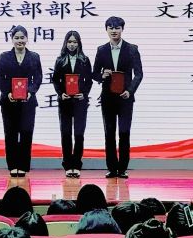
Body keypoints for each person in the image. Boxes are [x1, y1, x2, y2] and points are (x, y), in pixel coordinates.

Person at [92, 16, 143, 179]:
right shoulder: (101, 50)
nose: (114, 31)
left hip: (125, 97)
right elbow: (94, 74)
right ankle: (112, 168)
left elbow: (139, 74)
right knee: (109, 133)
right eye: (111, 28)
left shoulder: (132, 49)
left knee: (124, 132)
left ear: (122, 29)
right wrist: (102, 75)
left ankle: (123, 169)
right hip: (108, 97)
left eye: (117, 28)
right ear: (106, 30)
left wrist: (130, 91)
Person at [0, 25, 43, 177]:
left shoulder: (34, 56)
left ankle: (23, 166)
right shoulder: (4, 56)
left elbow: (38, 78)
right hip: (8, 101)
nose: (20, 40)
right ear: (12, 39)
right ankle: (12, 166)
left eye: (22, 37)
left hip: (28, 102)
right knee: (10, 133)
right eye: (16, 38)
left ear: (27, 39)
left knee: (26, 133)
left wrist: (30, 91)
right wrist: (7, 92)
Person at [52, 30, 93, 178]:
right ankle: (68, 165)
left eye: (75, 42)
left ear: (79, 43)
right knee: (66, 133)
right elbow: (55, 80)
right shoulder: (60, 60)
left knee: (79, 134)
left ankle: (77, 164)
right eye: (69, 42)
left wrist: (84, 93)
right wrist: (60, 93)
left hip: (80, 102)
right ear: (65, 43)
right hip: (65, 101)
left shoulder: (84, 60)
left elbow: (89, 80)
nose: (72, 44)